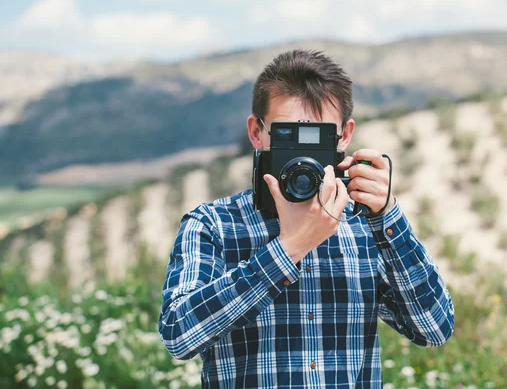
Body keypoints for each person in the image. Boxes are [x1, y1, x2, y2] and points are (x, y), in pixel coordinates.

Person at [158, 49, 454, 388]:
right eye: (287, 135)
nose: (301, 153)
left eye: (318, 137)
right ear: (257, 132)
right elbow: (179, 337)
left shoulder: (364, 226)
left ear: (344, 135)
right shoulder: (213, 225)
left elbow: (434, 329)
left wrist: (387, 216)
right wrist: (290, 247)